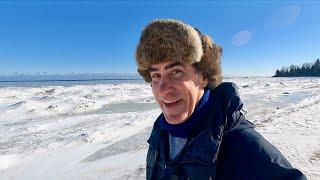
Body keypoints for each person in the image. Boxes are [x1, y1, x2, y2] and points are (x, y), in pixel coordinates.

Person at [135, 19, 306, 180]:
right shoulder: (161, 130)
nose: (163, 90)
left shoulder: (240, 144)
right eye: (156, 75)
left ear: (204, 76)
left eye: (176, 72)